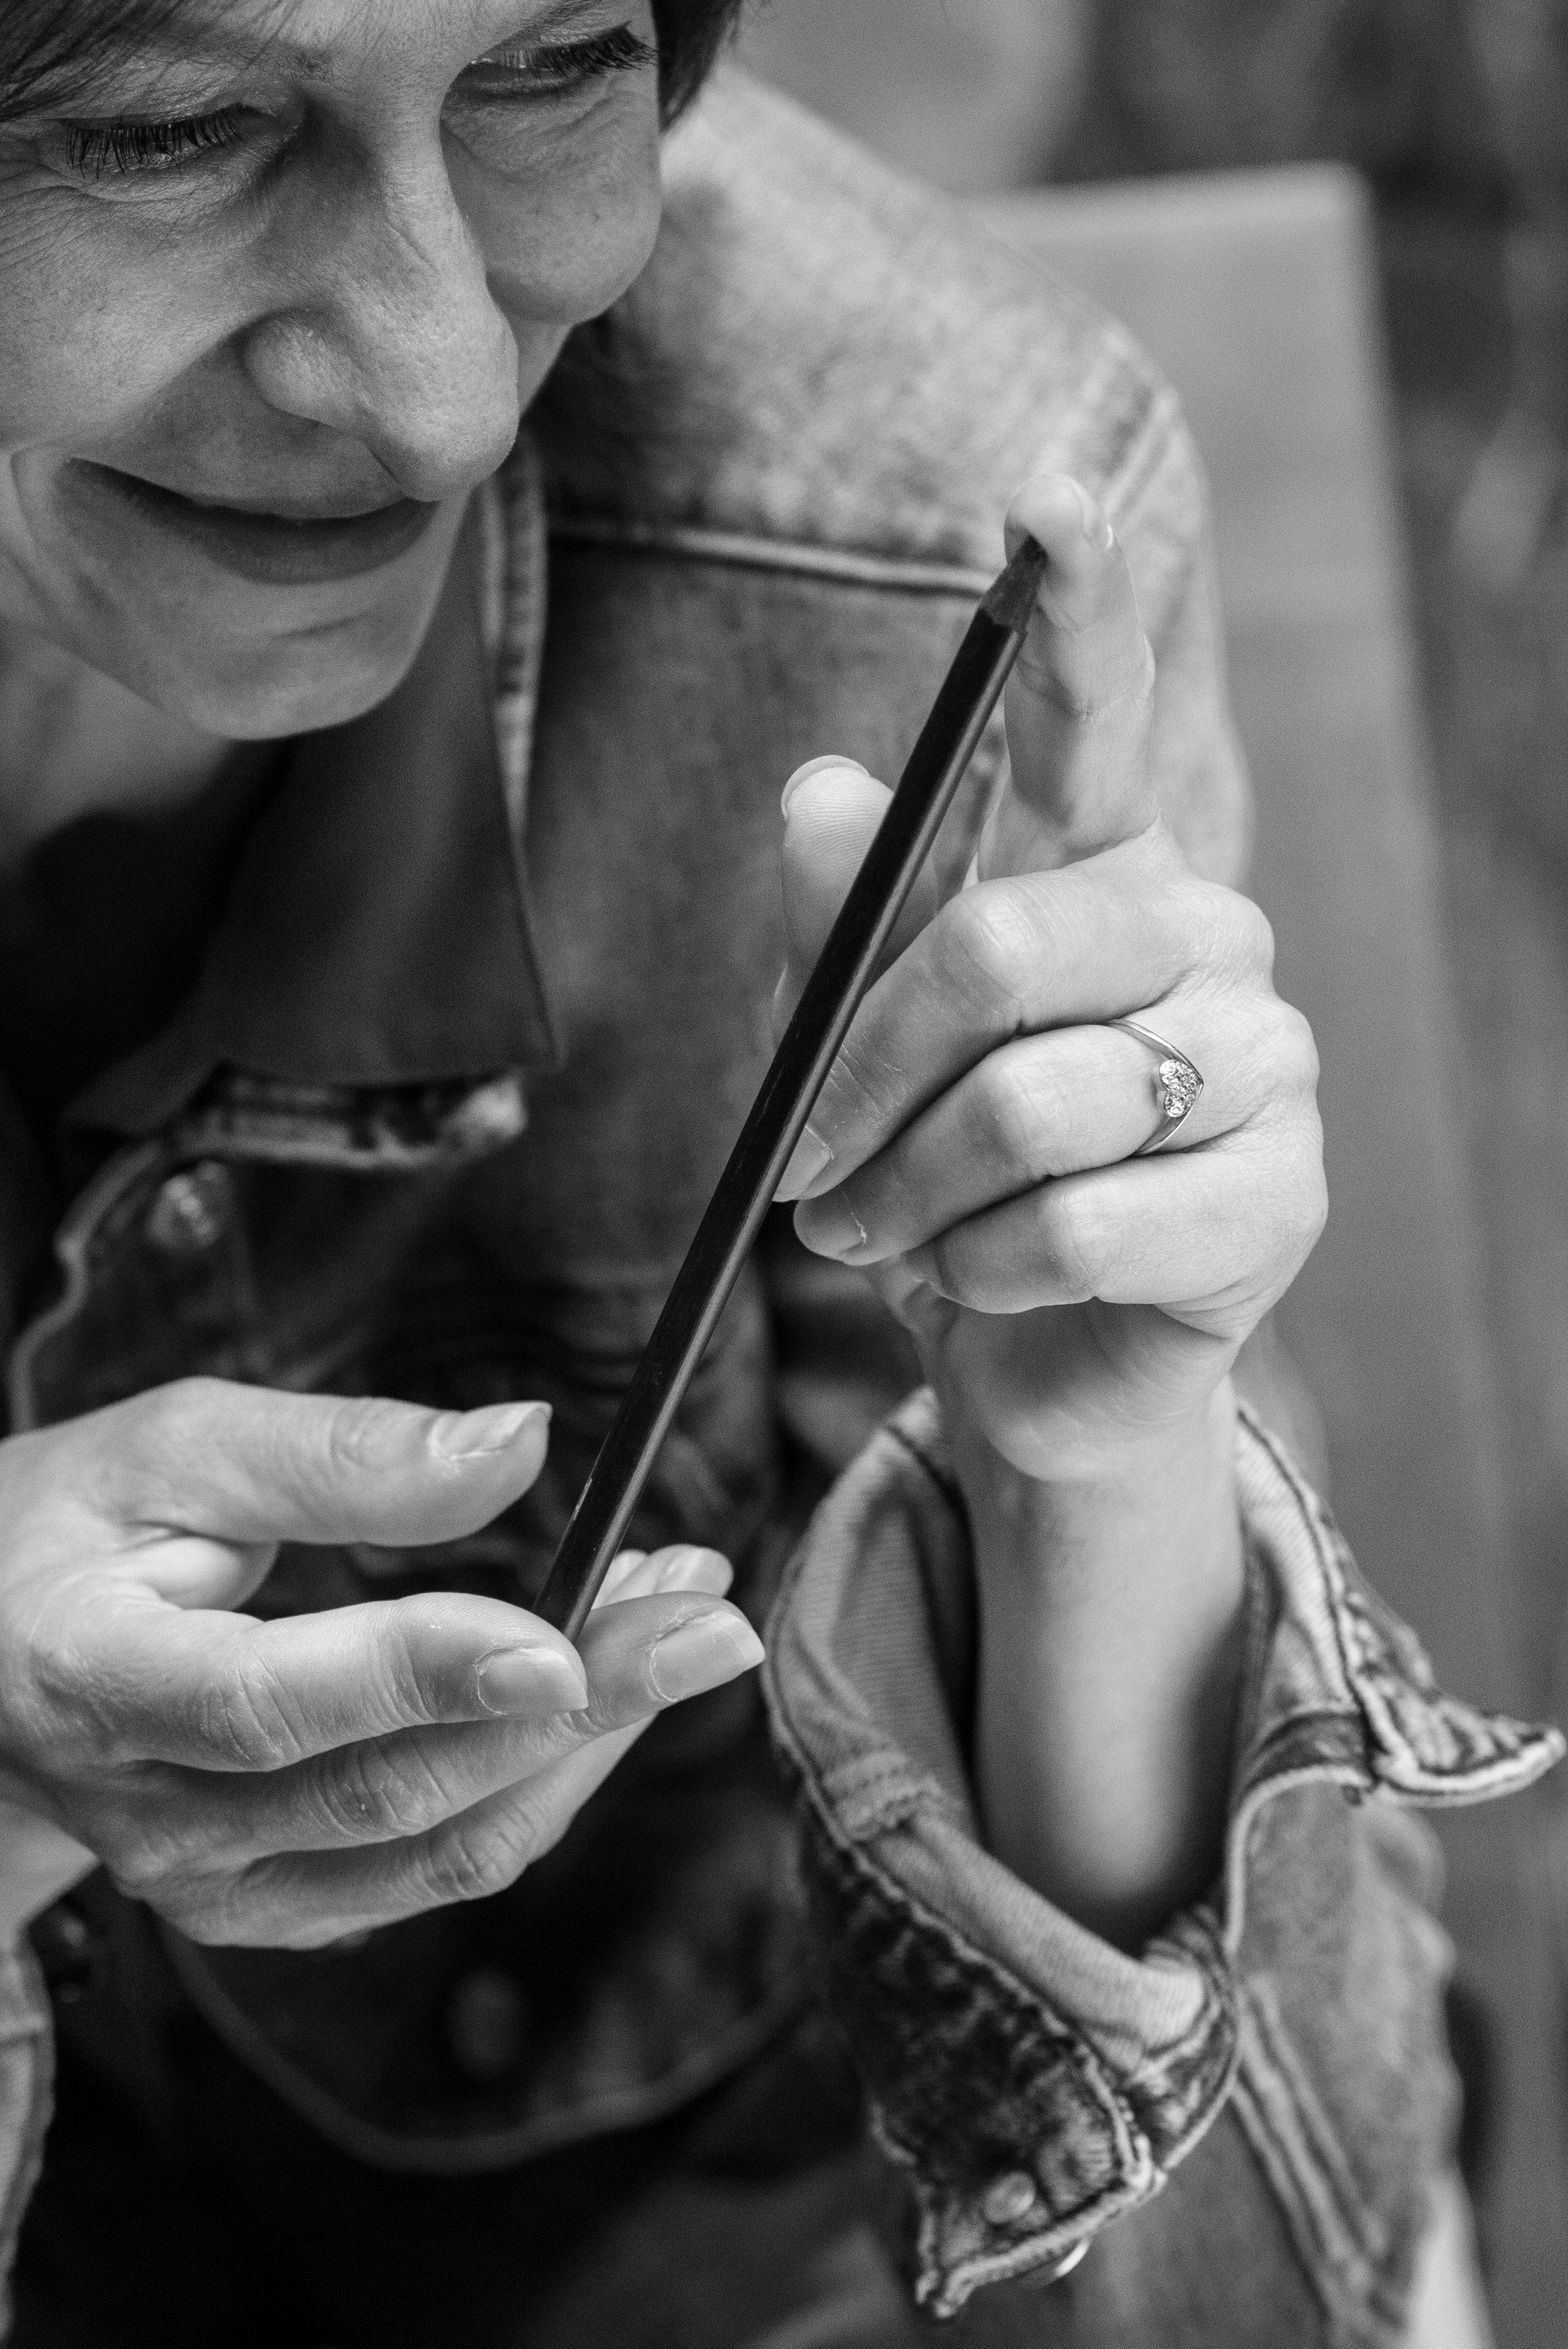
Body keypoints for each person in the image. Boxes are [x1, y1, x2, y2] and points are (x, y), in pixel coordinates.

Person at [0, 4, 1556, 2343]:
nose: (441, 389)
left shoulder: (914, 523)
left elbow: (1264, 2297)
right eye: (170, 128)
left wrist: (1093, 1475)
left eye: (551, 72)